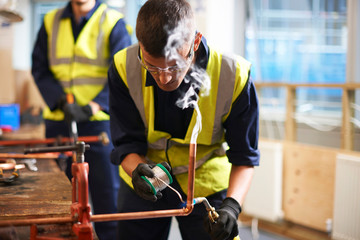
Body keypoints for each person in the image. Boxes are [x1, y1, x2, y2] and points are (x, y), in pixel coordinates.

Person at [108, 0, 260, 239]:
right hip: (147, 180)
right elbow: (125, 142)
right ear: (141, 46)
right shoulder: (123, 66)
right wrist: (136, 170)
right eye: (152, 67)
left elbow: (245, 155)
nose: (165, 78)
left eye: (175, 66)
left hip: (206, 185)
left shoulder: (234, 76)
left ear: (196, 41)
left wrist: (232, 205)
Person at [31, 0, 131, 239]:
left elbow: (123, 70)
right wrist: (59, 101)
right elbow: (39, 68)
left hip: (99, 124)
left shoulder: (113, 22)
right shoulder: (50, 21)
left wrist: (94, 105)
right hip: (59, 121)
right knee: (57, 205)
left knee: (107, 204)